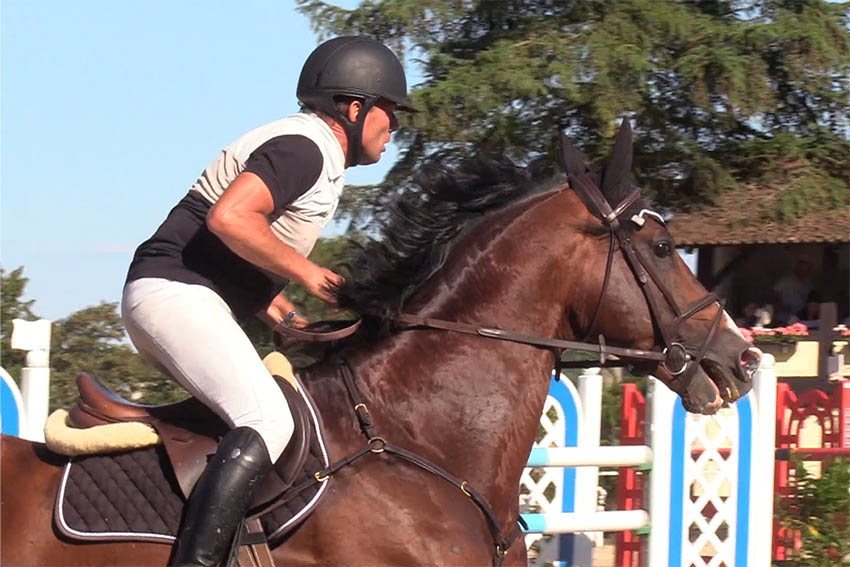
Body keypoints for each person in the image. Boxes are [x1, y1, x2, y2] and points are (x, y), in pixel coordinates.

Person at [120, 36, 416, 566]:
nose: (394, 128)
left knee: (287, 408)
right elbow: (230, 218)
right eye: (390, 113)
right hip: (174, 294)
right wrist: (309, 273)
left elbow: (233, 257)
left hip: (186, 295)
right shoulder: (306, 146)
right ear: (355, 107)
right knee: (269, 420)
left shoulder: (317, 156)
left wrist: (288, 313)